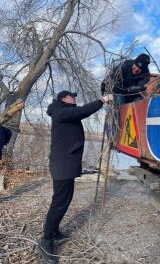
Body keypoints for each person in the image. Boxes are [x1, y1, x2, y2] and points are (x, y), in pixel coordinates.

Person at [37, 90, 112, 264]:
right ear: (63, 99)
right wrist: (102, 100)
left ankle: (54, 232)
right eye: (72, 96)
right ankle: (46, 240)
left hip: (66, 164)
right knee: (59, 202)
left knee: (65, 199)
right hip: (62, 165)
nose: (75, 98)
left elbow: (79, 113)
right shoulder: (60, 111)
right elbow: (82, 111)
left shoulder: (63, 111)